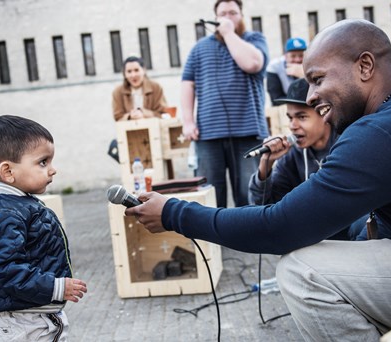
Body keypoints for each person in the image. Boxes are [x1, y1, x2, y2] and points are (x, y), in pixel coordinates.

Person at [125, 19, 391, 341]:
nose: (312, 96)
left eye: (317, 79)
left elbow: (280, 227)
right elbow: (331, 222)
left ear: (365, 66)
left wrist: (174, 214)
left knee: (303, 272)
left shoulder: (383, 133)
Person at [0, 115, 88, 342]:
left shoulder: (18, 205)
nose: (52, 170)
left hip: (36, 313)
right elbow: (8, 271)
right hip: (24, 322)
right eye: (42, 162)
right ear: (8, 172)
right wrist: (56, 287)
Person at [248, 77, 364, 240]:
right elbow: (264, 209)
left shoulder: (348, 143)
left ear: (325, 114)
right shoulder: (291, 156)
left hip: (351, 240)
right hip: (316, 239)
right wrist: (265, 166)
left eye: (301, 117)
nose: (292, 125)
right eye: (290, 118)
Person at [181, 0, 269, 208]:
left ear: (241, 15)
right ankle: (211, 240)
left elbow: (253, 64)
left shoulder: (255, 40)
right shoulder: (199, 49)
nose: (227, 18)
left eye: (233, 13)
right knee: (209, 194)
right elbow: (187, 84)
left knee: (248, 194)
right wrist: (187, 121)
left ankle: (248, 238)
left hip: (248, 133)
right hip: (208, 134)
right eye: (223, 14)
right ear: (214, 18)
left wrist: (229, 34)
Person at [112, 56, 167, 121]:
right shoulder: (118, 92)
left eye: (136, 70)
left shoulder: (156, 87)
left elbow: (163, 114)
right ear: (124, 74)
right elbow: (117, 117)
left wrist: (144, 113)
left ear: (143, 70)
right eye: (129, 71)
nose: (133, 75)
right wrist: (130, 116)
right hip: (129, 129)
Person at [266, 37, 307, 106]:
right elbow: (275, 99)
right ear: (285, 56)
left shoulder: (312, 65)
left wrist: (304, 76)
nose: (297, 60)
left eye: (301, 55)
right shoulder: (274, 67)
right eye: (293, 56)